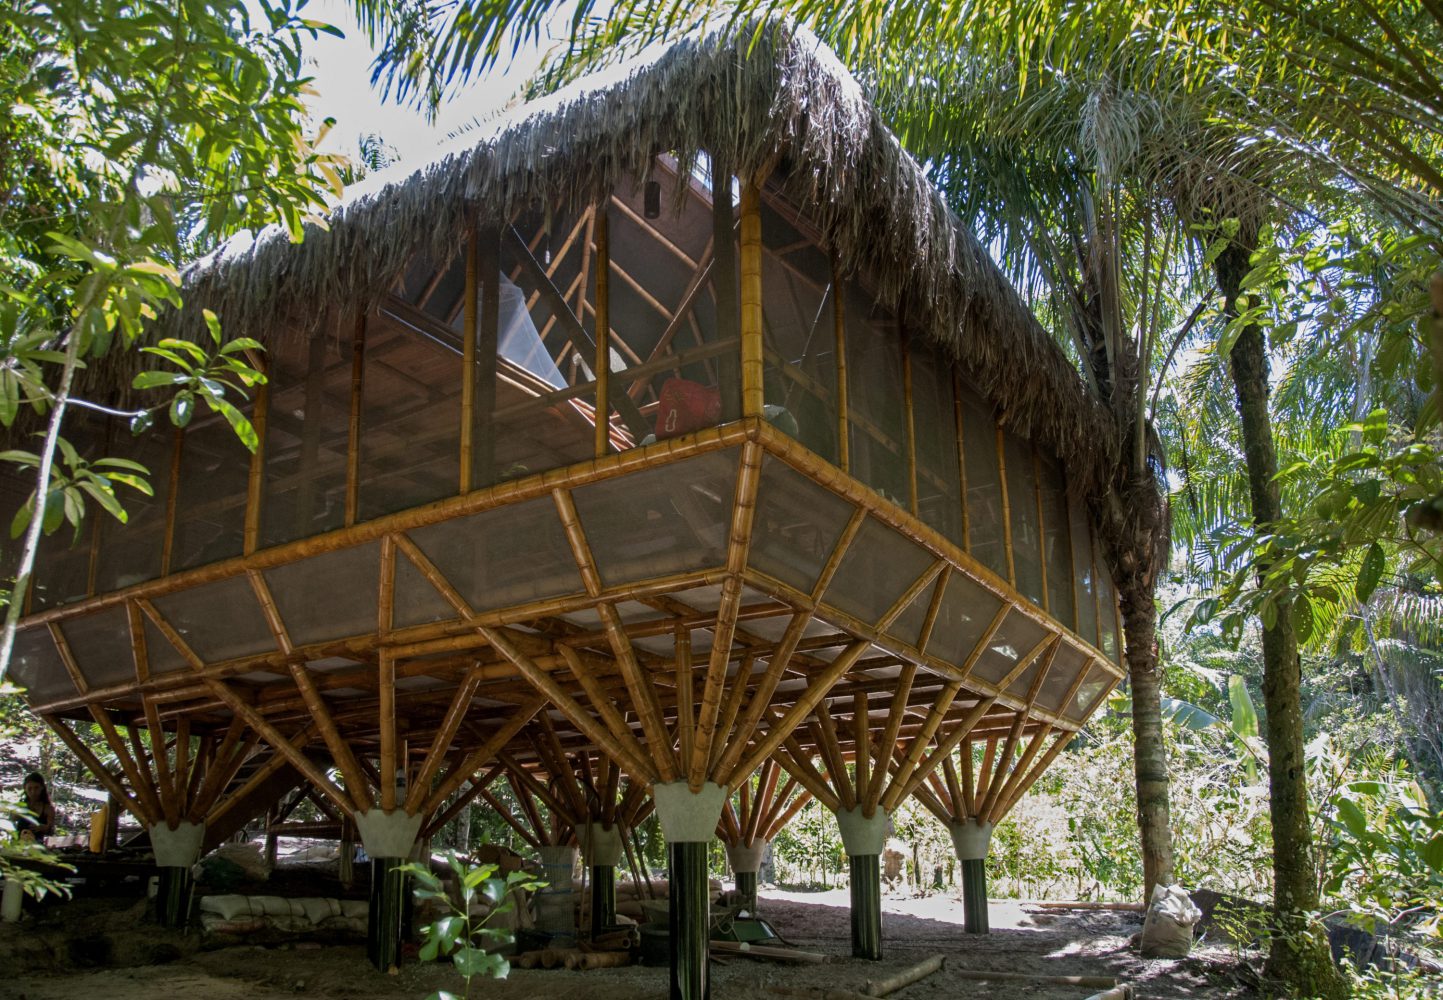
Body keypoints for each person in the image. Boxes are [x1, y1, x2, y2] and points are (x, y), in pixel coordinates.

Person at [15, 772, 55, 840]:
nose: (33, 792)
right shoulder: (20, 806)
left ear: (42, 787)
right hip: (18, 845)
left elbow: (51, 831)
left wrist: (44, 827)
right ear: (25, 789)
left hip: (37, 846)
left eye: (36, 788)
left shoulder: (48, 809)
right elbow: (11, 822)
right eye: (29, 788)